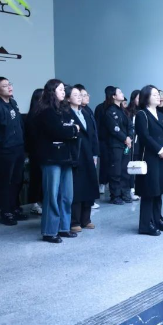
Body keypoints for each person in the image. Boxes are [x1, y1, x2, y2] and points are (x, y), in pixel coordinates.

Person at [36, 79, 80, 243]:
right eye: (60, 89)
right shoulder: (45, 111)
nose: (63, 92)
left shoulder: (64, 109)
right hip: (51, 158)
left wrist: (70, 130)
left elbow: (73, 128)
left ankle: (64, 227)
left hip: (66, 157)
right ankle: (49, 231)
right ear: (52, 91)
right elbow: (58, 131)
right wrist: (71, 130)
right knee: (52, 195)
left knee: (67, 195)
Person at [0, 76, 27, 226]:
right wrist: (0, 146)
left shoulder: (13, 103)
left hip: (18, 148)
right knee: (5, 182)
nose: (9, 87)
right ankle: (6, 211)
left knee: (17, 180)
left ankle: (15, 208)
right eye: (5, 86)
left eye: (9, 84)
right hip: (5, 152)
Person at [134, 85, 163, 235]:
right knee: (149, 191)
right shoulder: (141, 115)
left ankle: (157, 219)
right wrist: (160, 150)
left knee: (159, 189)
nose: (159, 97)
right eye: (155, 94)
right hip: (150, 158)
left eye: (159, 94)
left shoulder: (161, 115)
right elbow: (145, 136)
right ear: (146, 97)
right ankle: (145, 224)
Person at [67, 86, 100, 232]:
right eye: (76, 95)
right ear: (68, 98)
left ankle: (86, 219)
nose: (80, 97)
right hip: (76, 154)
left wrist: (95, 154)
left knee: (89, 185)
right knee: (77, 187)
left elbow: (93, 135)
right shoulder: (66, 114)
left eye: (80, 95)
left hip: (88, 154)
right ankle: (74, 221)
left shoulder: (86, 113)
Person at [103, 86, 134, 204]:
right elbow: (114, 129)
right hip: (115, 145)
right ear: (114, 96)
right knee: (116, 171)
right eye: (119, 92)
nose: (122, 94)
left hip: (126, 145)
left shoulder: (123, 110)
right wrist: (125, 138)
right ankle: (115, 195)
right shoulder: (110, 111)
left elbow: (130, 126)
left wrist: (129, 137)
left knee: (125, 171)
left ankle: (125, 193)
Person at [77, 85, 100, 209]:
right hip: (82, 151)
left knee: (91, 176)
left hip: (91, 148)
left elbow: (93, 133)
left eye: (87, 95)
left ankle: (90, 200)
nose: (87, 97)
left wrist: (95, 152)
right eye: (83, 95)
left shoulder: (88, 110)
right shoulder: (76, 113)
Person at [25, 89, 44, 216]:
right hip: (36, 151)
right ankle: (35, 204)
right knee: (36, 177)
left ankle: (40, 202)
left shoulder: (44, 113)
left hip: (43, 151)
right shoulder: (33, 115)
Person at [94, 85, 115, 196]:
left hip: (114, 139)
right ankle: (102, 183)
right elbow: (96, 125)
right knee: (104, 162)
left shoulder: (116, 108)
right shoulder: (100, 108)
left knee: (114, 162)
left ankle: (109, 183)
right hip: (103, 139)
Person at [126, 89, 141, 201]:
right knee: (132, 165)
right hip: (132, 142)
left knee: (140, 164)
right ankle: (131, 189)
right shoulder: (127, 111)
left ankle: (139, 188)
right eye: (138, 98)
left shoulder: (144, 111)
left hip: (141, 142)